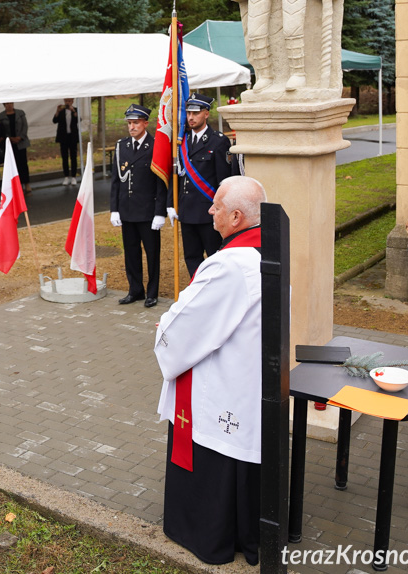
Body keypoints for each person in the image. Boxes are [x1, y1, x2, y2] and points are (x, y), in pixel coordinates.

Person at [154, 175, 267, 567]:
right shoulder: (265, 248)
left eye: (216, 206)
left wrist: (166, 327)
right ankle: (243, 534)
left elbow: (188, 327)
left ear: (236, 216)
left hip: (222, 384)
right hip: (247, 377)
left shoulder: (230, 266)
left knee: (214, 450)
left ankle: (208, 537)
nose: (209, 210)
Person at [168, 94, 232, 277]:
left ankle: (216, 293)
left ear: (206, 114)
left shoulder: (218, 141)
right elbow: (176, 175)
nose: (190, 117)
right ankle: (197, 291)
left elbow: (224, 181)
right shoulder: (182, 142)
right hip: (187, 211)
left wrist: (221, 210)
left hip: (208, 212)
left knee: (215, 257)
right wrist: (171, 203)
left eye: (195, 113)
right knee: (192, 257)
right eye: (188, 113)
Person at [109, 104, 167, 309]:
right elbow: (116, 180)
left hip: (148, 211)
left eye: (135, 123)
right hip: (127, 210)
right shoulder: (121, 146)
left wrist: (160, 212)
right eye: (129, 123)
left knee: (152, 254)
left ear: (145, 123)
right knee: (131, 252)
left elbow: (161, 182)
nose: (132, 127)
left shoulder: (156, 146)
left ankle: (152, 292)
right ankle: (135, 289)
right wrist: (114, 209)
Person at [0, 102, 31, 194]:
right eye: (7, 104)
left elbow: (25, 126)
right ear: (4, 105)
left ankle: (26, 183)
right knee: (13, 165)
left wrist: (20, 137)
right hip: (9, 143)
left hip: (21, 142)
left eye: (11, 103)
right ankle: (17, 185)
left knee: (23, 163)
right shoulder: (0, 116)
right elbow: (1, 130)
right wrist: (10, 138)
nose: (9, 105)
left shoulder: (20, 113)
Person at [53, 98, 80, 186]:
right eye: (66, 101)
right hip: (63, 137)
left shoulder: (75, 109)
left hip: (72, 137)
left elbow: (79, 120)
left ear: (72, 101)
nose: (68, 103)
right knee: (64, 157)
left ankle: (73, 177)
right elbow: (54, 121)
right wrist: (57, 111)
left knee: (73, 157)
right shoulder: (61, 110)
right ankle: (66, 176)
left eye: (69, 101)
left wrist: (73, 111)